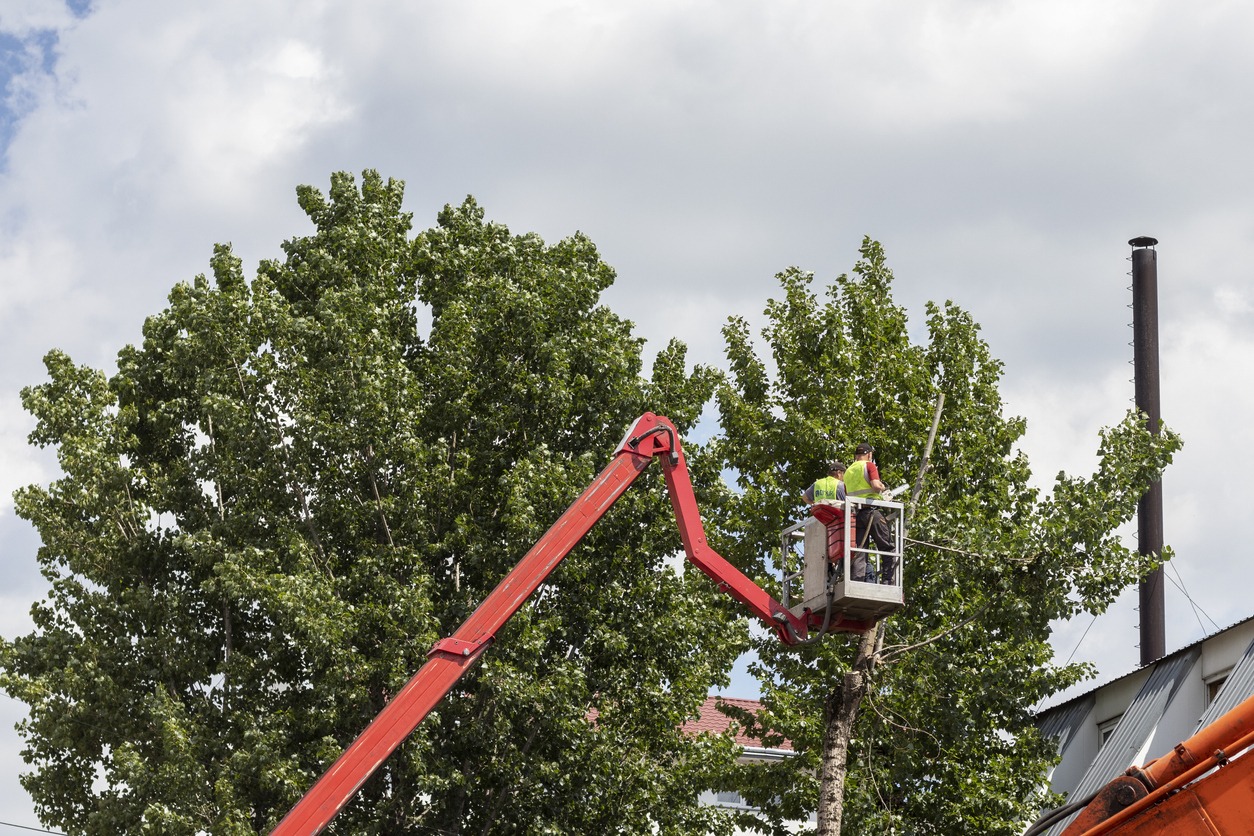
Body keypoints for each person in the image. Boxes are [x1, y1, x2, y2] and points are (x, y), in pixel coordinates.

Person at [844, 443, 896, 584]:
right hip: (871, 512)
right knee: (887, 547)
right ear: (869, 454)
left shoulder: (848, 471)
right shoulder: (869, 466)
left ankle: (857, 581)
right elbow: (875, 485)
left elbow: (847, 493)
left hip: (857, 515)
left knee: (860, 550)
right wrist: (883, 487)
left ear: (856, 455)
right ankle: (888, 581)